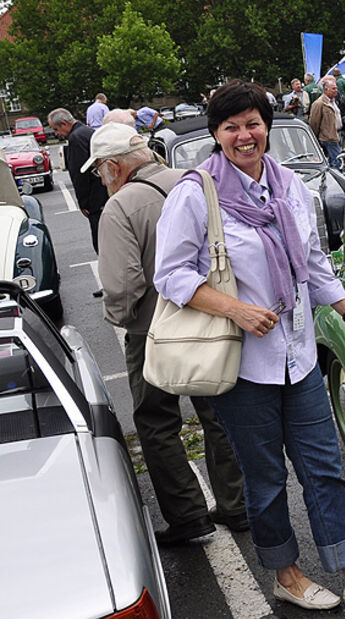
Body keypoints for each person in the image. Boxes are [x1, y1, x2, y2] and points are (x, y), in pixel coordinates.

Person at [154, 80, 345, 611]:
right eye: (231, 127)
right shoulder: (195, 194)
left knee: (325, 469)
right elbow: (170, 275)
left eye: (252, 124)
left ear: (267, 128)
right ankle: (286, 574)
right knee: (267, 477)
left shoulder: (290, 188)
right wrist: (235, 309)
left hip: (298, 356)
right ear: (216, 134)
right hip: (244, 367)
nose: (244, 136)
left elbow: (315, 263)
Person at [86, 122, 248, 545]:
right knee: (219, 413)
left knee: (156, 422)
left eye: (101, 172)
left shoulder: (120, 207)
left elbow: (123, 285)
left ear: (112, 168)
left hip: (152, 329)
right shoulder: (197, 183)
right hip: (212, 314)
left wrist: (123, 320)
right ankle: (237, 503)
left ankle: (188, 515)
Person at [47, 109, 108, 275]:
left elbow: (80, 173)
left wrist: (83, 202)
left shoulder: (75, 138)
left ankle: (108, 281)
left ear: (65, 124)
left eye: (56, 129)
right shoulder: (88, 131)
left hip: (95, 199)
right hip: (104, 193)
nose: (56, 133)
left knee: (100, 242)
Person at [310, 77, 342, 167]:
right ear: (326, 90)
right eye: (333, 88)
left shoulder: (334, 101)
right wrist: (315, 138)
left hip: (337, 134)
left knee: (337, 159)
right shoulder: (319, 103)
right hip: (329, 138)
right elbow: (314, 123)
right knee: (336, 162)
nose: (336, 90)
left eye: (336, 88)